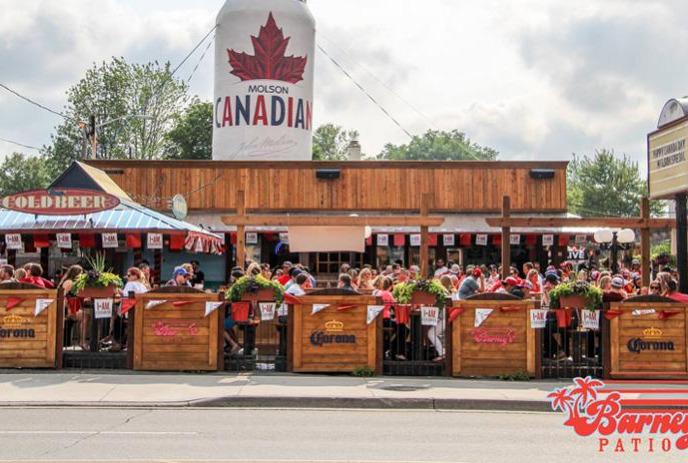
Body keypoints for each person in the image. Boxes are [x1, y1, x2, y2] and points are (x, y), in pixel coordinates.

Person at [59, 265, 88, 352]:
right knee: (85, 317)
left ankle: (82, 341)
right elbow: (62, 295)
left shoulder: (72, 282)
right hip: (67, 309)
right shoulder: (69, 282)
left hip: (72, 308)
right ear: (76, 273)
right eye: (81, 273)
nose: (82, 275)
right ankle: (82, 341)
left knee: (86, 316)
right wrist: (66, 309)